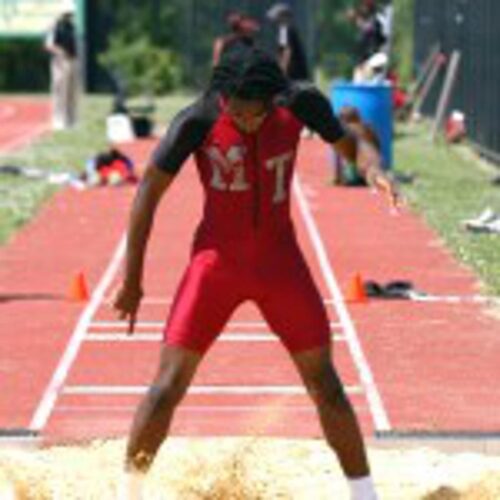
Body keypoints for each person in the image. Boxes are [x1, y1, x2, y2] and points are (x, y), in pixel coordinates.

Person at [113, 47, 399, 500]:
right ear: (224, 97)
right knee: (166, 387)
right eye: (238, 113)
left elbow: (354, 142)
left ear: (272, 101)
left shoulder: (299, 102)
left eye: (255, 114)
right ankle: (127, 492)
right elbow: (148, 191)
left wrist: (373, 169)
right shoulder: (199, 119)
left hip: (280, 263)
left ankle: (365, 494)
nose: (246, 121)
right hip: (215, 265)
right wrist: (132, 280)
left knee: (325, 383)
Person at [44, 0, 79, 130]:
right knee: (59, 91)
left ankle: (71, 119)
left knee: (71, 92)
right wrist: (60, 52)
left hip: (72, 60)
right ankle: (58, 119)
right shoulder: (55, 26)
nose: (69, 16)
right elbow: (49, 45)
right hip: (60, 62)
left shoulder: (71, 26)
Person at [332, 106, 381, 186]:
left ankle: (357, 176)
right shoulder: (368, 127)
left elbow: (338, 157)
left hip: (357, 174)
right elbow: (378, 147)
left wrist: (337, 177)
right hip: (373, 170)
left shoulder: (344, 133)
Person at [266, 3, 310, 82]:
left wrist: (282, 71)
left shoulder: (284, 30)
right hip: (297, 74)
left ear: (283, 17)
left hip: (294, 74)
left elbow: (287, 51)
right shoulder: (287, 30)